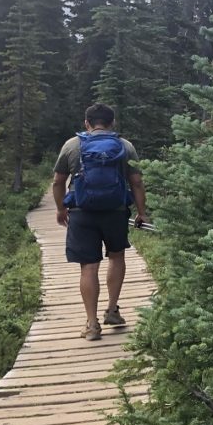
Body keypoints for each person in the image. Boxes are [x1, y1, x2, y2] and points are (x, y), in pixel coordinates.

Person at [52, 103, 149, 341]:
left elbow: (57, 181)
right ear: (112, 122)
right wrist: (141, 212)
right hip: (116, 211)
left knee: (89, 266)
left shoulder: (72, 145)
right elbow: (136, 182)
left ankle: (92, 324)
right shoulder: (125, 146)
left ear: (87, 123)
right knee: (116, 256)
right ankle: (113, 310)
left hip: (82, 212)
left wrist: (60, 208)